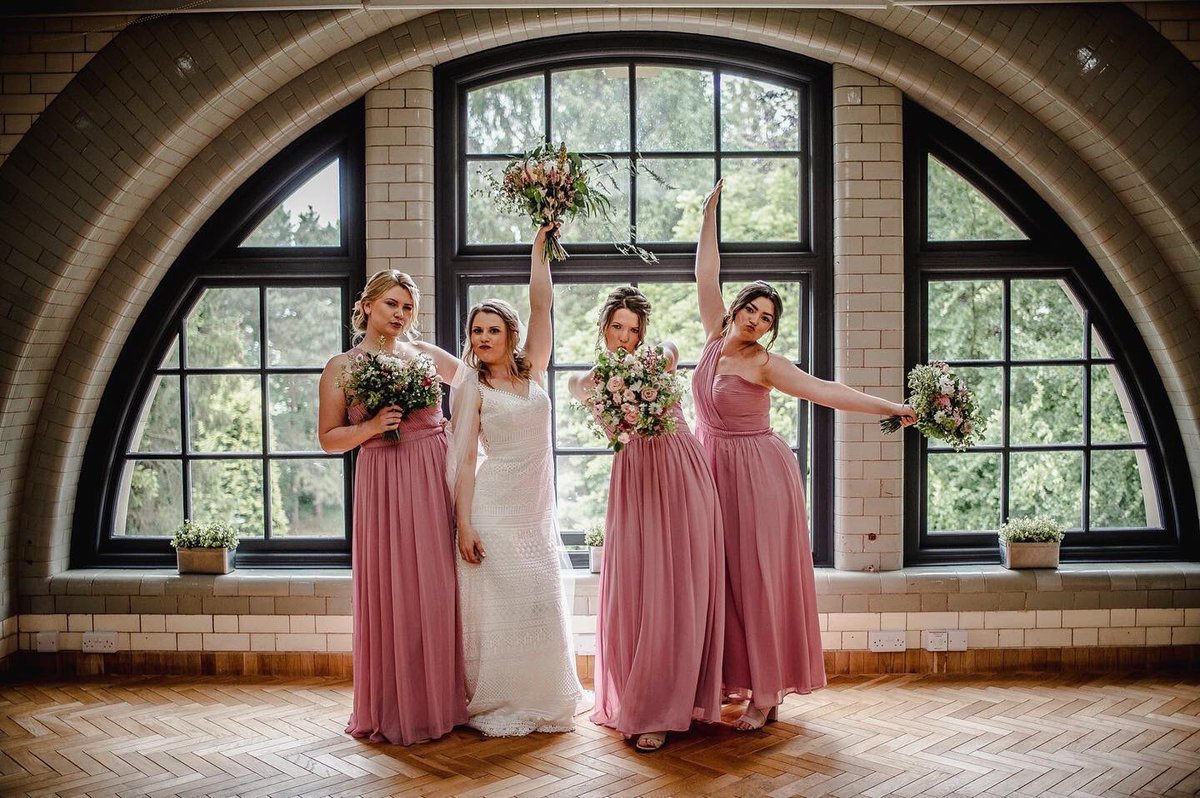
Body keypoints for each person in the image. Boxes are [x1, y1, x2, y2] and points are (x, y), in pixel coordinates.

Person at [691, 181, 917, 730]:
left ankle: (767, 693)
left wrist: (891, 406)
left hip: (757, 473)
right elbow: (705, 274)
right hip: (711, 466)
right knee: (721, 579)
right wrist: (708, 216)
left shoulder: (767, 364)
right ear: (736, 308)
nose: (756, 320)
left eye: (767, 317)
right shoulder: (715, 337)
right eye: (751, 309)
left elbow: (827, 391)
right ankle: (734, 678)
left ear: (771, 328)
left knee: (757, 581)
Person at [568, 286, 725, 753]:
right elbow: (584, 392)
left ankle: (673, 704)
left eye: (633, 329)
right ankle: (643, 699)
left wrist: (648, 363)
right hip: (635, 478)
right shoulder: (585, 381)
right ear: (603, 328)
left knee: (678, 586)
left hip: (681, 470)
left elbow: (671, 352)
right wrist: (613, 378)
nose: (625, 336)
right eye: (617, 327)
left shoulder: (659, 355)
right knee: (638, 586)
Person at [317, 270, 468, 745]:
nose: (400, 314)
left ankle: (442, 700)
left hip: (433, 473)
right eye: (391, 304)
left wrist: (468, 430)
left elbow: (477, 383)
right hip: (382, 479)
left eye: (407, 307)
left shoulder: (422, 355)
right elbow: (328, 439)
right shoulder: (341, 366)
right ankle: (395, 705)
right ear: (366, 305)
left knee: (437, 586)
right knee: (392, 585)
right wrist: (371, 426)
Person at [447, 223, 585, 737]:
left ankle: (543, 693)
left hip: (535, 511)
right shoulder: (472, 388)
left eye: (492, 330)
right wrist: (464, 525)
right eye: (476, 332)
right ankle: (501, 697)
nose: (482, 339)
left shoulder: (533, 372)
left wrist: (538, 251)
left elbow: (542, 306)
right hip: (493, 508)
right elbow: (464, 462)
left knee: (540, 600)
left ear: (509, 335)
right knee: (501, 610)